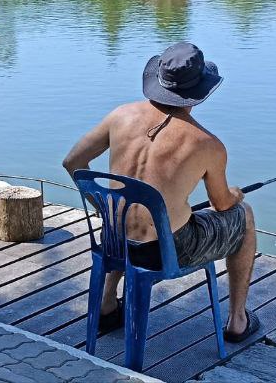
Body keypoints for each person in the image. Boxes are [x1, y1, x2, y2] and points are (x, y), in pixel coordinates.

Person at [62, 41, 258, 342]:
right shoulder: (207, 144)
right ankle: (237, 320)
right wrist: (236, 195)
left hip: (114, 239)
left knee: (124, 213)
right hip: (166, 251)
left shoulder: (120, 116)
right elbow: (221, 205)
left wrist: (103, 206)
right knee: (243, 216)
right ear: (199, 92)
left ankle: (106, 301)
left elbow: (73, 162)